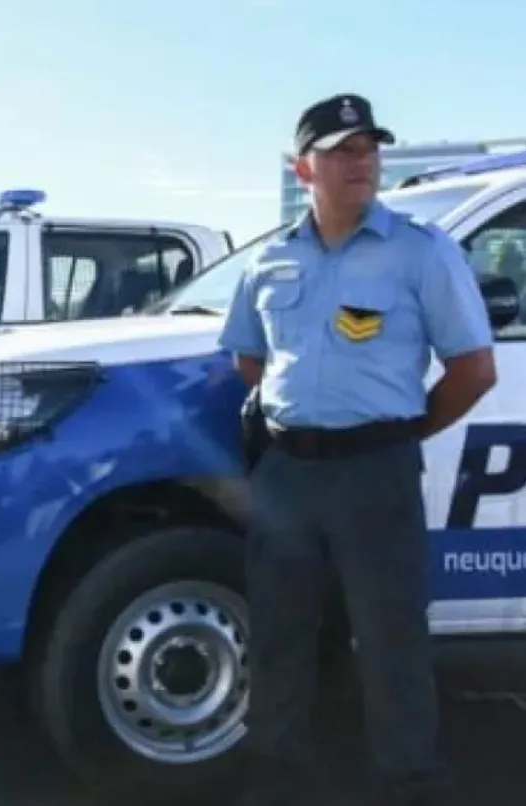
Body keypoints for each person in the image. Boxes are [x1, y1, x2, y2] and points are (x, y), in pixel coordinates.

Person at [221, 94, 498, 805]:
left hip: (376, 473)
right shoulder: (271, 258)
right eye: (342, 149)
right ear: (301, 167)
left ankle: (408, 782)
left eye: (368, 147)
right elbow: (250, 361)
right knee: (281, 635)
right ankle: (277, 779)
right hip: (286, 475)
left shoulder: (419, 250)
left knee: (391, 641)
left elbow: (473, 368)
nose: (361, 161)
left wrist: (397, 434)